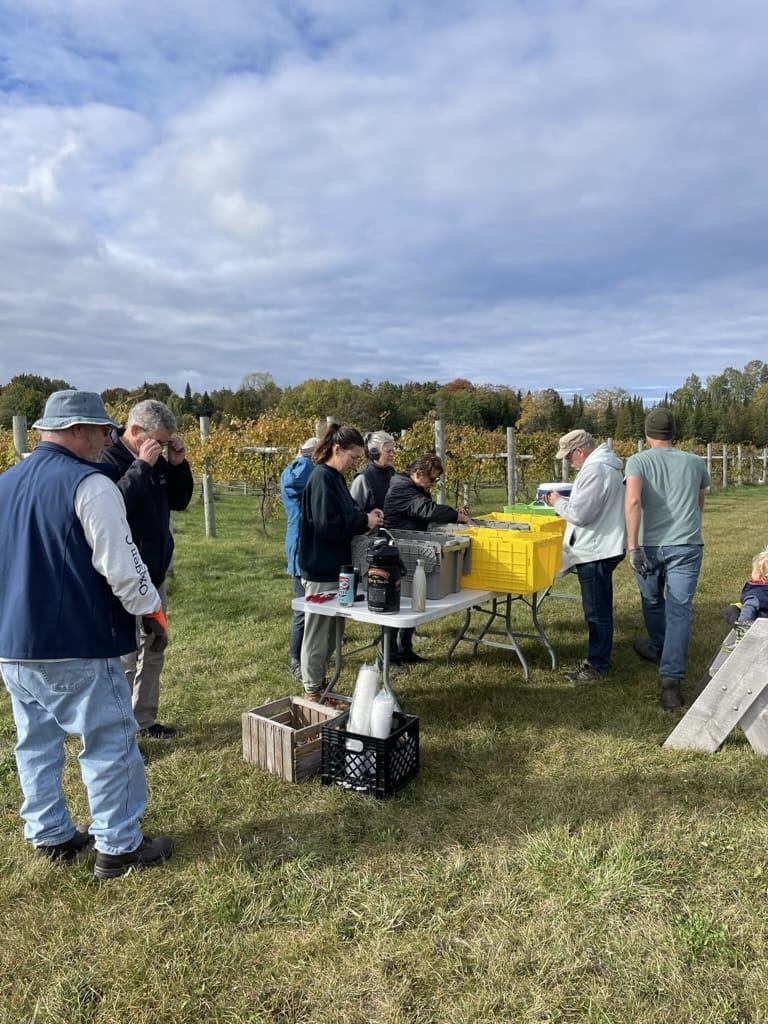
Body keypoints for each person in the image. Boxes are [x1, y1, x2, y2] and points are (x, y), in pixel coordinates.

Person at [0, 390, 174, 878]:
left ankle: (49, 831)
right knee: (111, 739)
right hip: (76, 639)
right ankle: (118, 844)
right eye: (101, 430)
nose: (108, 439)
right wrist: (151, 608)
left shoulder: (6, 483)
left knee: (35, 741)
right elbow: (122, 566)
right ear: (75, 430)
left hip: (14, 645)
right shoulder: (92, 485)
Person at [101, 399, 194, 739]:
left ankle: (144, 719)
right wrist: (142, 465)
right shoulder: (109, 460)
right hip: (123, 580)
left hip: (154, 577)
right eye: (157, 439)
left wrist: (177, 464)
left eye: (166, 441)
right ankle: (121, 728)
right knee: (126, 657)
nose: (160, 446)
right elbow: (116, 507)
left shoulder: (155, 459)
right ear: (135, 431)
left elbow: (180, 501)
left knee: (155, 646)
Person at [625, 407, 711, 710]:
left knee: (651, 600)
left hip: (648, 545)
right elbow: (699, 503)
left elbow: (634, 500)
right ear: (674, 433)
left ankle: (660, 647)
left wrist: (632, 547)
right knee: (679, 609)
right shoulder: (695, 462)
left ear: (647, 434)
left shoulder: (638, 461)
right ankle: (671, 681)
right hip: (686, 544)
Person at [298, 424, 384, 699]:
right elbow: (326, 525)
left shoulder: (334, 478)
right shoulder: (322, 478)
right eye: (353, 457)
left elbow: (344, 512)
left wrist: (366, 515)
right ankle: (312, 690)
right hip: (322, 569)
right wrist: (363, 520)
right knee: (318, 634)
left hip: (338, 568)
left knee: (333, 634)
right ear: (337, 450)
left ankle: (322, 685)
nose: (355, 463)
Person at [541, 430, 626, 681]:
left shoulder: (595, 470)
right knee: (599, 608)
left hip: (596, 550)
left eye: (568, 457)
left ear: (579, 451)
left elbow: (581, 515)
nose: (568, 462)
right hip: (601, 545)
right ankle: (596, 656)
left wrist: (557, 501)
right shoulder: (605, 467)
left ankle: (597, 666)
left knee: (596, 612)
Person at [383, 454, 472, 663]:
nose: (432, 484)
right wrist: (456, 516)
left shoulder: (415, 488)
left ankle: (405, 650)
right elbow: (426, 510)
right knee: (398, 602)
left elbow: (426, 513)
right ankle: (389, 656)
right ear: (417, 473)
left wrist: (452, 513)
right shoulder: (401, 488)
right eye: (431, 479)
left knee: (415, 597)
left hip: (412, 549)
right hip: (399, 549)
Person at [280, 436, 318, 679]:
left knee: (309, 605)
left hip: (303, 543)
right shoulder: (302, 472)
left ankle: (305, 653)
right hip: (301, 546)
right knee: (302, 607)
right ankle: (295, 659)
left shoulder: (295, 471)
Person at [723, 548, 768, 646]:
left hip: (758, 625)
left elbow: (749, 609)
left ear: (758, 574)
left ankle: (742, 634)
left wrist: (743, 626)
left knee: (731, 610)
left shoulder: (755, 593)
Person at [350, 431, 396, 512]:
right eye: (388, 451)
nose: (392, 454)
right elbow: (353, 511)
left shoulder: (391, 472)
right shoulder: (363, 478)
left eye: (393, 450)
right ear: (375, 453)